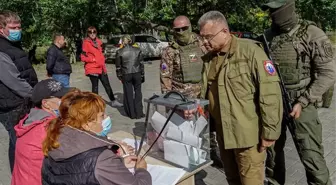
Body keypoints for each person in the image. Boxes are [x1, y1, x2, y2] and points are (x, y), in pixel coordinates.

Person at [198, 11, 283, 184]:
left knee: (250, 181)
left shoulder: (250, 52)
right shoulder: (209, 59)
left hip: (247, 138)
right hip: (223, 134)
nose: (204, 42)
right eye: (202, 37)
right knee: (232, 179)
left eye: (208, 37)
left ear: (224, 31)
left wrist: (270, 132)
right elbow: (206, 92)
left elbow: (270, 93)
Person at [262, 0, 336, 184]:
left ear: (287, 7)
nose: (272, 15)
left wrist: (303, 101)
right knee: (272, 158)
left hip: (302, 103)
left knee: (312, 158)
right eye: (270, 11)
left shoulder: (311, 34)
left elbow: (328, 73)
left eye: (275, 10)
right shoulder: (267, 37)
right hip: (273, 104)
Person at [41, 91, 151, 185]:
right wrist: (141, 170)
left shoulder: (55, 139)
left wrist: (118, 163)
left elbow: (80, 169)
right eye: (102, 116)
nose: (106, 118)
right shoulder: (101, 157)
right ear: (87, 124)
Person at [160, 15, 222, 168]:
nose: (181, 32)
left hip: (202, 96)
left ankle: (210, 154)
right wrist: (171, 104)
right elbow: (165, 78)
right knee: (182, 133)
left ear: (190, 27)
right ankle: (184, 159)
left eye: (184, 28)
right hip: (180, 99)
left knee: (203, 129)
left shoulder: (202, 44)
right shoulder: (170, 51)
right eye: (177, 29)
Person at [11, 79, 70, 185]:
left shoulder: (31, 119)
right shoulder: (49, 127)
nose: (67, 101)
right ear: (46, 103)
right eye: (61, 98)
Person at [0, 10, 38, 172]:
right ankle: (20, 175)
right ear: (1, 28)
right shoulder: (2, 49)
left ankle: (19, 172)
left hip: (18, 102)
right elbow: (14, 81)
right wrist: (36, 95)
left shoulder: (11, 45)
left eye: (19, 27)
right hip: (12, 105)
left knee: (17, 139)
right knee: (19, 141)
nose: (17, 30)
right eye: (13, 27)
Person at [81, 26, 123, 107]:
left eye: (94, 32)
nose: (92, 34)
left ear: (96, 33)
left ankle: (113, 101)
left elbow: (101, 55)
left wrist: (104, 64)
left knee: (107, 85)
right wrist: (93, 59)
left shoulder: (99, 42)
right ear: (88, 33)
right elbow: (83, 57)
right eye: (90, 32)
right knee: (95, 87)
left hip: (101, 68)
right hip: (92, 68)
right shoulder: (86, 43)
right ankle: (94, 105)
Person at [116, 35, 145, 119]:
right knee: (138, 93)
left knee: (128, 93)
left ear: (122, 41)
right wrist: (142, 75)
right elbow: (141, 64)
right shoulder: (137, 50)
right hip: (137, 72)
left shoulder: (119, 51)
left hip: (126, 73)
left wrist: (120, 76)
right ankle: (139, 113)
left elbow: (118, 66)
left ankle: (132, 114)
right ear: (130, 41)